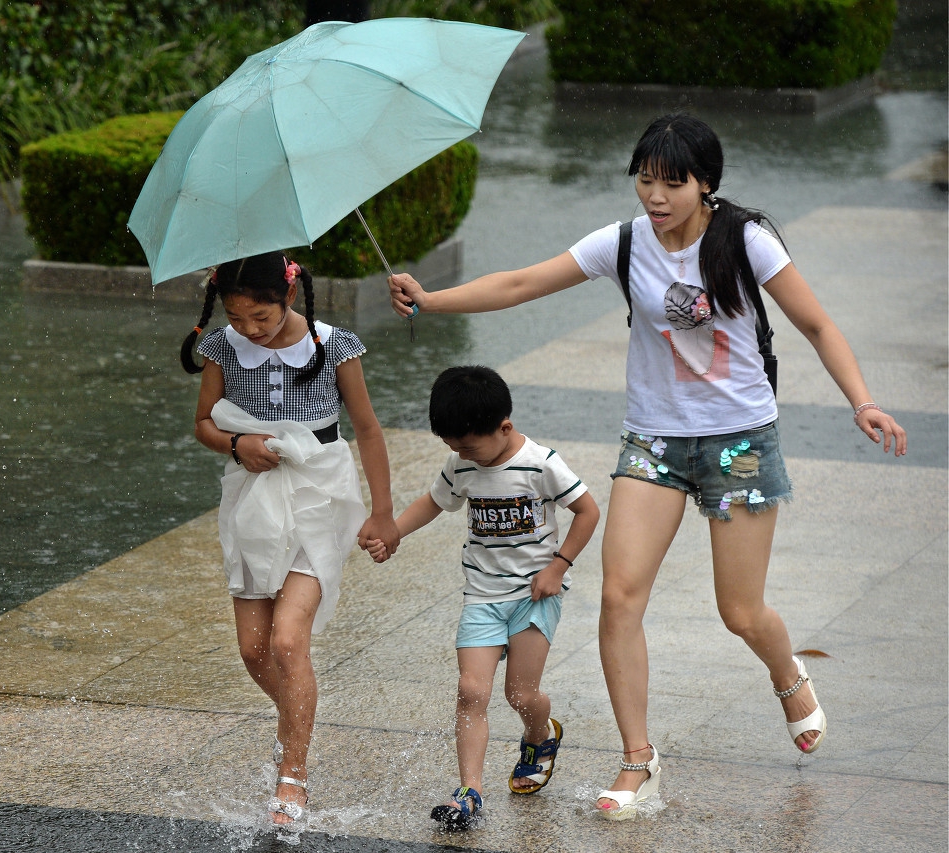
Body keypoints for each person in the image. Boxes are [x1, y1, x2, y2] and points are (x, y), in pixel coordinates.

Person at [387, 114, 907, 821]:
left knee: (739, 611)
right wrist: (432, 300)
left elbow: (816, 324)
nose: (655, 196)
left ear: (706, 183)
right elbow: (521, 283)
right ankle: (638, 758)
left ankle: (787, 673)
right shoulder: (625, 243)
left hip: (738, 443)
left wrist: (863, 401)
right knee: (619, 599)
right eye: (644, 179)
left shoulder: (746, 241)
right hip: (654, 442)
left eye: (672, 182)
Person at [183, 251, 401, 826]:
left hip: (320, 495)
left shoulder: (334, 345)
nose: (250, 328)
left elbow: (367, 428)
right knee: (252, 650)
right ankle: (298, 717)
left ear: (289, 294)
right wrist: (237, 445)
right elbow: (203, 423)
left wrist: (383, 513)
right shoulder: (222, 347)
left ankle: (292, 775)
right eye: (237, 316)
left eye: (261, 316)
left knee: (286, 641)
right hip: (252, 499)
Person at [366, 365, 600, 829]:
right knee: (471, 690)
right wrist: (394, 532)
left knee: (520, 694)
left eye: (469, 446)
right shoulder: (462, 463)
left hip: (534, 594)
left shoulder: (540, 463)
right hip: (482, 594)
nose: (460, 454)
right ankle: (469, 792)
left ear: (504, 428)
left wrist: (558, 566)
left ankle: (540, 735)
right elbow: (434, 501)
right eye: (452, 446)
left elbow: (588, 511)